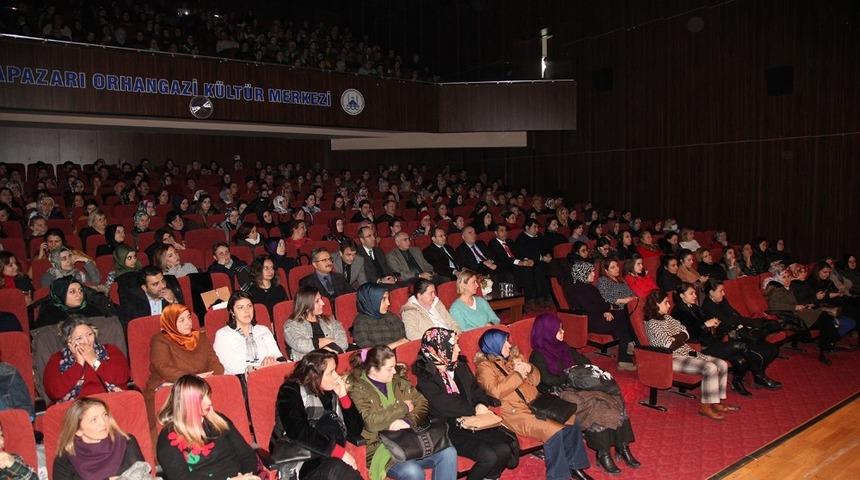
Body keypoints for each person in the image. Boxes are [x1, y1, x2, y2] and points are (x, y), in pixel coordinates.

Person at [474, 329, 592, 480]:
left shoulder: (514, 357)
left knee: (572, 420)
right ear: (494, 345)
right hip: (515, 413)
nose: (510, 345)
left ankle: (575, 467)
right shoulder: (485, 368)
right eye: (505, 343)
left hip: (537, 403)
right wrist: (517, 374)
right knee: (554, 432)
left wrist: (529, 369)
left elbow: (536, 380)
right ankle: (558, 477)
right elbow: (495, 392)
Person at [529, 314, 639, 474]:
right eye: (559, 329)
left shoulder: (564, 347)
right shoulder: (538, 355)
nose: (563, 332)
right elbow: (546, 379)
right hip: (560, 393)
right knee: (596, 406)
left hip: (578, 387)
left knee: (613, 397)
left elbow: (587, 362)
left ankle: (623, 446)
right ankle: (603, 453)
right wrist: (570, 375)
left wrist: (581, 374)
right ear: (547, 331)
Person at [414, 328, 518, 480]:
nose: (459, 349)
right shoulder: (426, 377)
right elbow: (445, 405)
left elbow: (476, 389)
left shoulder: (459, 366)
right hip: (449, 427)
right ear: (438, 349)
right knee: (488, 456)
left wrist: (481, 404)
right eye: (454, 345)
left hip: (473, 421)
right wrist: (475, 410)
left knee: (504, 448)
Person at [348, 345, 458, 480]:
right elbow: (371, 422)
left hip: (411, 439)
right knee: (413, 471)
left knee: (448, 452)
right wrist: (403, 407)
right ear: (373, 370)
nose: (394, 371)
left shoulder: (398, 382)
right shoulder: (358, 389)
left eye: (394, 366)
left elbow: (422, 403)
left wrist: (407, 421)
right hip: (382, 448)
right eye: (389, 368)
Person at [643, 290, 738, 421]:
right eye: (666, 303)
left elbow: (685, 332)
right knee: (709, 367)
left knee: (721, 364)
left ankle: (715, 401)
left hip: (686, 351)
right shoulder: (652, 323)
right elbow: (668, 345)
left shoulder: (668, 318)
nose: (669, 306)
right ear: (656, 304)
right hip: (670, 358)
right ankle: (705, 406)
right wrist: (679, 337)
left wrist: (678, 337)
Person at [272, 350, 363, 480]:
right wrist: (338, 452)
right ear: (315, 375)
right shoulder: (291, 391)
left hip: (329, 460)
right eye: (331, 372)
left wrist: (343, 396)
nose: (337, 376)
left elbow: (355, 431)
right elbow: (298, 431)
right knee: (337, 468)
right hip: (302, 460)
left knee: (338, 468)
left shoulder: (331, 393)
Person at [157, 375, 259, 480]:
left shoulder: (219, 421)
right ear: (188, 403)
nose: (209, 402)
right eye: (202, 398)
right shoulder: (169, 439)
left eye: (208, 395)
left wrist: (247, 475)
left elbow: (246, 454)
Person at [145, 304, 224, 428]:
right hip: (171, 389)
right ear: (169, 322)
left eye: (188, 318)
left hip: (202, 386)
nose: (188, 323)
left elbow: (216, 365)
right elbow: (162, 367)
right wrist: (195, 378)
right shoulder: (160, 340)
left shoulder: (200, 337)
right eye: (182, 320)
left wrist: (210, 376)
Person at [53, 397, 147, 479]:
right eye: (94, 420)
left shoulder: (127, 442)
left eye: (105, 415)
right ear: (78, 430)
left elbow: (143, 476)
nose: (103, 423)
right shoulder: (65, 458)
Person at [565, 262, 636, 371]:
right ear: (583, 273)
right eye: (590, 272)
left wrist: (606, 310)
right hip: (589, 320)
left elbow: (601, 303)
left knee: (624, 317)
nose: (594, 274)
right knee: (623, 321)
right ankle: (628, 350)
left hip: (597, 316)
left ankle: (627, 349)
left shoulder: (587, 286)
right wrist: (605, 311)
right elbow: (589, 308)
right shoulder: (579, 289)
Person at [765, 263, 840, 364]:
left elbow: (794, 301)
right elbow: (773, 306)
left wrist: (804, 305)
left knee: (826, 319)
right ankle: (827, 347)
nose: (787, 279)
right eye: (784, 277)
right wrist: (794, 307)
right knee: (825, 320)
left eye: (788, 277)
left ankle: (827, 346)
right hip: (791, 316)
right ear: (778, 278)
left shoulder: (786, 287)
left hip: (799, 312)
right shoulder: (776, 289)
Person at [43, 317, 129, 403]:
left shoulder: (109, 350)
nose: (87, 341)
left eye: (89, 334)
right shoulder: (57, 359)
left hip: (110, 402)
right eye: (79, 338)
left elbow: (123, 378)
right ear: (69, 342)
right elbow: (54, 393)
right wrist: (79, 364)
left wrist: (94, 360)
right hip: (76, 409)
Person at [213, 291, 282, 375]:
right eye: (240, 307)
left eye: (249, 306)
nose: (247, 311)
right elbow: (231, 366)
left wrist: (271, 360)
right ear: (232, 312)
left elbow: (278, 355)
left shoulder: (263, 330)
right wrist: (260, 367)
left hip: (270, 374)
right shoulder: (223, 335)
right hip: (241, 380)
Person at [283, 287, 349, 360]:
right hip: (309, 366)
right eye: (317, 301)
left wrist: (324, 350)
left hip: (334, 360)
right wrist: (328, 341)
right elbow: (301, 345)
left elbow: (343, 343)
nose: (323, 303)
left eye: (321, 298)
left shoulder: (330, 320)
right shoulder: (291, 325)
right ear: (306, 305)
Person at [34, 277, 113, 329]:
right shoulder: (49, 315)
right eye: (72, 292)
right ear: (61, 294)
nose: (79, 295)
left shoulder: (92, 309)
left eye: (80, 290)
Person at [117, 266, 183, 324]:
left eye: (163, 281)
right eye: (155, 284)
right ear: (144, 288)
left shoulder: (172, 290)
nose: (163, 286)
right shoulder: (134, 301)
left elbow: (184, 320)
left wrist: (174, 301)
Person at [352, 283, 409, 349]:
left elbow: (404, 343)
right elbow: (369, 354)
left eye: (388, 298)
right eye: (383, 299)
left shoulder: (392, 317)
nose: (388, 303)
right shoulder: (360, 323)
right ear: (372, 300)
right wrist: (395, 344)